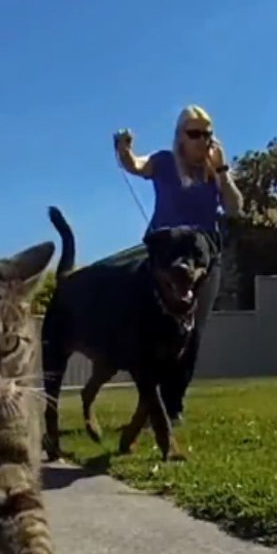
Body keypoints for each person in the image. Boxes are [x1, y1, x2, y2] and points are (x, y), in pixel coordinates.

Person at [113, 104, 244, 423]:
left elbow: (235, 208)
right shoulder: (163, 162)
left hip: (202, 258)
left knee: (192, 332)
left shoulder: (215, 170)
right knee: (154, 329)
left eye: (207, 134)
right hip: (164, 256)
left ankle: (173, 404)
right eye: (194, 133)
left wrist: (222, 171)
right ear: (180, 137)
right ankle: (151, 400)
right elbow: (135, 165)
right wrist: (124, 150)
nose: (202, 140)